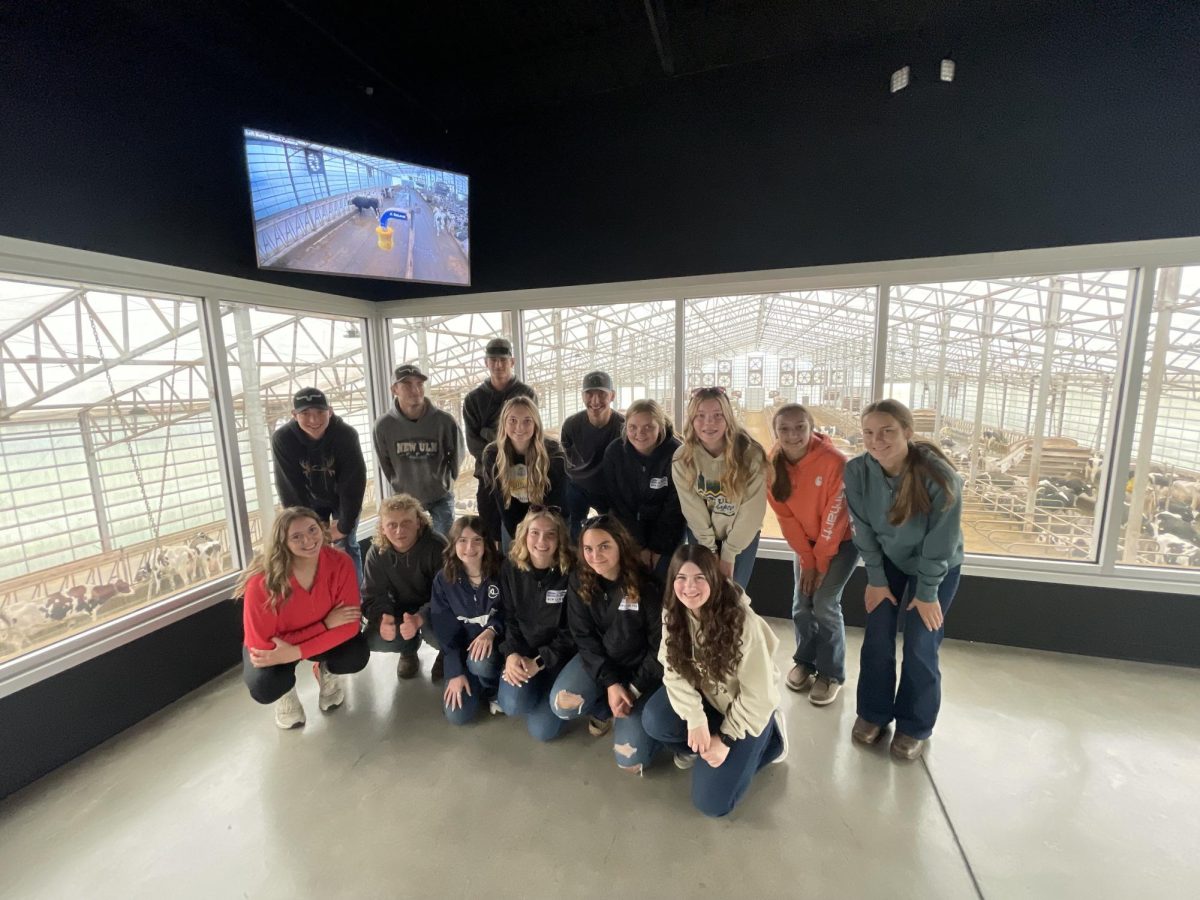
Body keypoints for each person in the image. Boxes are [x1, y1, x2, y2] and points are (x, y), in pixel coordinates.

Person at [843, 399, 964, 760]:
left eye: (887, 431)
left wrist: (927, 593)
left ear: (908, 433)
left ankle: (915, 725)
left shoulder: (941, 477)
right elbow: (862, 530)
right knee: (878, 635)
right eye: (869, 432)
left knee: (920, 643)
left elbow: (940, 542)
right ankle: (873, 713)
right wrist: (876, 579)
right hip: (888, 563)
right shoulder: (857, 471)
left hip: (935, 568)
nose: (877, 440)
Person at [642, 544, 787, 817]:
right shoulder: (673, 612)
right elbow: (673, 671)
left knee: (711, 804)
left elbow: (759, 695)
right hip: (709, 700)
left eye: (699, 578)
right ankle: (709, 753)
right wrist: (695, 718)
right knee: (654, 719)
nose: (689, 587)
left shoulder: (743, 623)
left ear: (715, 579)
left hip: (746, 709)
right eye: (681, 578)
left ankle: (772, 741)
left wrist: (728, 738)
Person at [238, 507, 369, 729]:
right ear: (282, 542)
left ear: (322, 529)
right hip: (276, 650)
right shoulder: (261, 581)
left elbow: (349, 626)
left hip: (293, 643)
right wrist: (325, 625)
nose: (308, 540)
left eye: (312, 529)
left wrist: (296, 650)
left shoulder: (341, 562)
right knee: (265, 685)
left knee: (355, 655)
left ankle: (326, 670)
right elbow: (263, 646)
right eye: (296, 536)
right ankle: (285, 691)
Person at [551, 516, 663, 773]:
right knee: (561, 705)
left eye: (604, 546)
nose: (595, 555)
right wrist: (611, 684)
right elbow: (583, 637)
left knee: (630, 762)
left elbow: (660, 648)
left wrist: (633, 690)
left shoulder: (647, 586)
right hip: (603, 663)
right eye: (588, 549)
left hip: (642, 673)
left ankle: (645, 728)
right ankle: (604, 706)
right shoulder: (580, 581)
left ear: (620, 545)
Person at [765, 403, 858, 706]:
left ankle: (831, 673)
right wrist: (807, 559)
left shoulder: (834, 462)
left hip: (840, 543)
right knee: (801, 605)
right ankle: (806, 660)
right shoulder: (773, 465)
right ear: (775, 432)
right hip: (806, 545)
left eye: (800, 427)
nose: (793, 435)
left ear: (812, 427)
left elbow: (836, 516)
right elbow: (786, 519)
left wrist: (819, 563)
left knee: (824, 604)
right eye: (784, 429)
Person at [672, 386, 768, 588]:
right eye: (701, 415)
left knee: (733, 593)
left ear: (728, 418)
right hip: (701, 533)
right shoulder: (683, 458)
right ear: (691, 419)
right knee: (702, 592)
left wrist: (729, 553)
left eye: (717, 415)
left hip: (741, 537)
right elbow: (692, 509)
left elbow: (751, 512)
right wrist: (709, 551)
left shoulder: (751, 455)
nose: (709, 423)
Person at [272, 387, 367, 584]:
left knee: (346, 545)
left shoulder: (346, 435)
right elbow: (289, 486)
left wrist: (344, 525)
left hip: (342, 498)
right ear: (294, 415)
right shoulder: (283, 439)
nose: (314, 420)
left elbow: (353, 482)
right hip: (308, 501)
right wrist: (305, 525)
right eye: (305, 413)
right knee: (312, 550)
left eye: (320, 413)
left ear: (330, 412)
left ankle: (355, 600)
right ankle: (323, 596)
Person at [496, 507, 576, 741]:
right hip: (525, 652)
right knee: (511, 704)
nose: (542, 541)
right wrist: (511, 654)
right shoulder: (510, 567)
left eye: (550, 534)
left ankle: (551, 691)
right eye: (535, 533)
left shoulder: (572, 571)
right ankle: (536, 691)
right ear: (524, 535)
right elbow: (509, 617)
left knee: (543, 732)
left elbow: (573, 632)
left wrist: (540, 662)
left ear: (560, 539)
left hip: (560, 657)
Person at [360, 493, 447, 682]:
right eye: (392, 525)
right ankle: (408, 650)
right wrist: (384, 618)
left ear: (419, 522)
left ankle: (446, 652)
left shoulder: (437, 546)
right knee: (373, 639)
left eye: (407, 522)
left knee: (440, 634)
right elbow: (372, 596)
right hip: (398, 611)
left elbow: (449, 594)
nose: (399, 531)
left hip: (435, 610)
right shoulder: (377, 553)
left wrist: (421, 617)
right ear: (382, 528)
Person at [372, 363, 463, 536]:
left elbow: (457, 455)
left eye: (419, 384)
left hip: (440, 496)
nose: (415, 390)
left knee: (444, 546)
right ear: (394, 390)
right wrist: (400, 483)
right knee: (410, 545)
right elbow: (385, 463)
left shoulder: (444, 421)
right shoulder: (383, 426)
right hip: (406, 499)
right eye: (407, 385)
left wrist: (447, 481)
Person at [430, 515, 505, 725]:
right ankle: (476, 682)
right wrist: (455, 671)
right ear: (453, 544)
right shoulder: (443, 579)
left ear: (486, 543)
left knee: (480, 662)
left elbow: (512, 613)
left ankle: (492, 688)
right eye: (462, 540)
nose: (469, 547)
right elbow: (445, 631)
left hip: (497, 650)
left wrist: (492, 629)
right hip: (464, 655)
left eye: (477, 540)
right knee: (457, 715)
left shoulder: (502, 570)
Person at [462, 338, 536, 546]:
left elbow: (530, 433)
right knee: (490, 527)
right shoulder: (474, 399)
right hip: (489, 473)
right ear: (486, 363)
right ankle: (497, 573)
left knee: (523, 527)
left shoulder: (526, 393)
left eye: (503, 360)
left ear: (512, 362)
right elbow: (473, 443)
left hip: (523, 472)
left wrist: (489, 434)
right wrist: (500, 452)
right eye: (493, 360)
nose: (498, 365)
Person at [603, 398, 685, 579]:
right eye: (633, 427)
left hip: (667, 533)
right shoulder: (614, 453)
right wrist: (637, 546)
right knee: (630, 581)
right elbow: (618, 505)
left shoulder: (676, 454)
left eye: (648, 427)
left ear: (660, 427)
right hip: (627, 531)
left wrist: (656, 548)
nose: (639, 433)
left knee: (663, 578)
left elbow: (675, 508)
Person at [480, 396, 568, 551]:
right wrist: (516, 536)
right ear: (504, 423)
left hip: (545, 520)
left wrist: (537, 532)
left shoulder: (553, 452)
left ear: (536, 424)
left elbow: (556, 499)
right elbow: (500, 501)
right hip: (511, 520)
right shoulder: (493, 454)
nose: (519, 427)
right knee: (515, 565)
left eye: (527, 421)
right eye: (513, 420)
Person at [560, 371, 625, 540]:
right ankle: (576, 560)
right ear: (582, 396)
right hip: (578, 486)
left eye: (602, 394)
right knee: (575, 529)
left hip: (609, 489)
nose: (595, 401)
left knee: (612, 531)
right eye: (589, 394)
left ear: (612, 396)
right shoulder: (571, 425)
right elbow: (566, 458)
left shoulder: (623, 426)